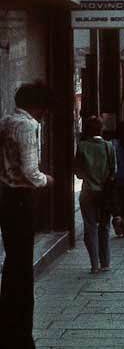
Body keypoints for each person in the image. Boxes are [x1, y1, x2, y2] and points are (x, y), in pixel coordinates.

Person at [0, 83, 54, 348]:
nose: (44, 113)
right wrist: (48, 181)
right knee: (22, 268)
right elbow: (32, 172)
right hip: (21, 197)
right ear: (38, 105)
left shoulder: (6, 121)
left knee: (12, 266)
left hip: (5, 197)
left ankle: (8, 326)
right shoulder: (27, 125)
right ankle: (21, 335)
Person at [75, 116, 116, 273]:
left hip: (87, 191)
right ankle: (105, 261)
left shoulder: (82, 146)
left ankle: (94, 264)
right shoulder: (108, 146)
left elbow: (77, 172)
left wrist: (88, 176)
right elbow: (114, 170)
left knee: (90, 226)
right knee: (104, 226)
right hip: (104, 192)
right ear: (101, 129)